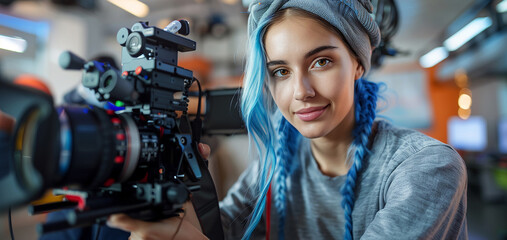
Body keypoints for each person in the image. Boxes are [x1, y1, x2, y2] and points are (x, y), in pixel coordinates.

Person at [108, 0, 467, 239]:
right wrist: (190, 193)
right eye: (280, 71)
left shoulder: (426, 167)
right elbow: (221, 229)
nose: (301, 91)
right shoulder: (277, 161)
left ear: (358, 63)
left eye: (321, 61)